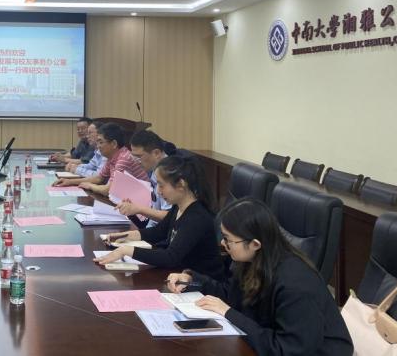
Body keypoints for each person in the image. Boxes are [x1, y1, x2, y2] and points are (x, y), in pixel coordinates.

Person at [167, 198, 353, 356]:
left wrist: (229, 313)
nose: (223, 243)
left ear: (255, 244)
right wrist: (192, 279)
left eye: (228, 239)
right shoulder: (253, 260)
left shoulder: (295, 284)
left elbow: (286, 349)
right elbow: (232, 295)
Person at [95, 153, 224, 280]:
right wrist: (124, 236)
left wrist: (126, 251)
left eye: (161, 185)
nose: (158, 191)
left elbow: (170, 257)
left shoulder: (197, 218)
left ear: (181, 184)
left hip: (201, 284)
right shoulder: (178, 206)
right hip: (179, 275)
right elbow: (158, 232)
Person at [53, 123, 148, 195]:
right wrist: (69, 182)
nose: (98, 146)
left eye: (101, 142)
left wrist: (90, 186)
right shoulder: (112, 157)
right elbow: (99, 178)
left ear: (114, 144)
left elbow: (109, 190)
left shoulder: (123, 159)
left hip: (142, 202)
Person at [116, 129, 174, 226]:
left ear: (156, 153)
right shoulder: (154, 169)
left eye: (139, 156)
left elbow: (171, 217)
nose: (136, 161)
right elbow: (155, 211)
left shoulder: (170, 172)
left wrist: (139, 209)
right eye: (134, 157)